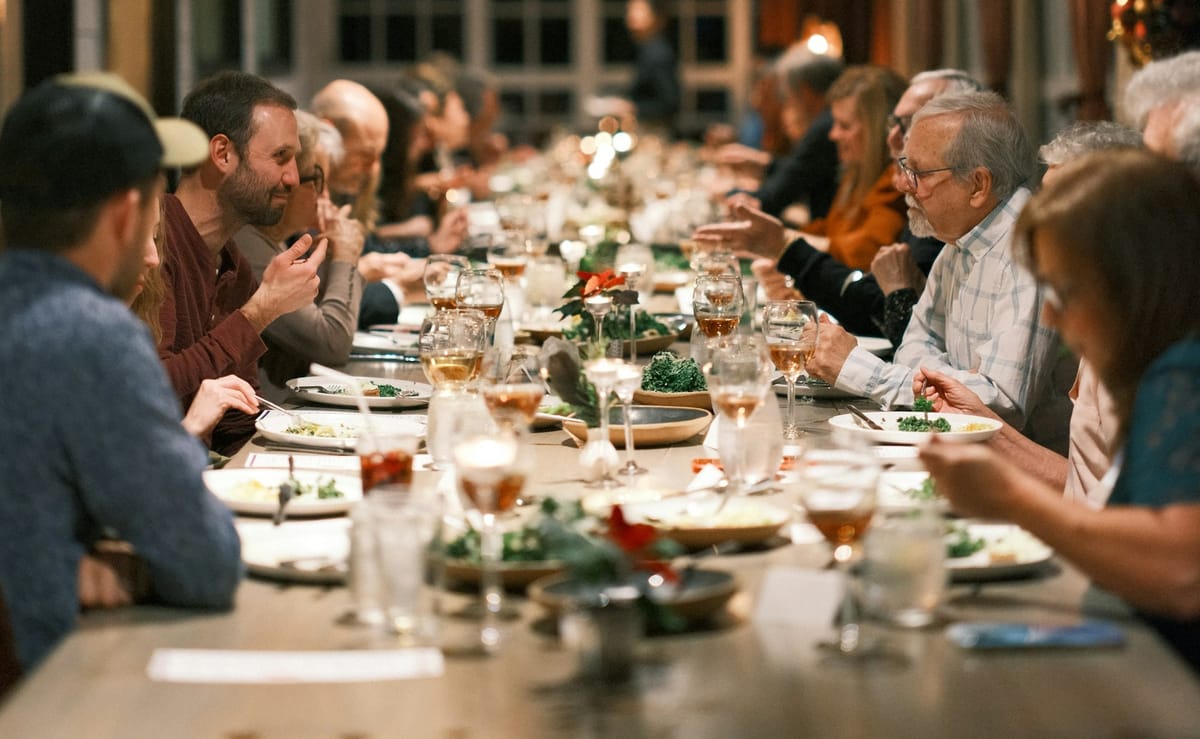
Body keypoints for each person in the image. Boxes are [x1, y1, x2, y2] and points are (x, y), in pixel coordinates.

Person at [919, 149, 1200, 671]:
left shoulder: (1183, 373)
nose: (1049, 314)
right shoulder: (1157, 366)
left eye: (1064, 291)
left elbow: (1183, 572)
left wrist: (1012, 499)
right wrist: (990, 438)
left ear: (1135, 280)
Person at [0, 72, 242, 676]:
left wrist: (60, 550)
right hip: (52, 693)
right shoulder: (91, 335)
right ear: (124, 215)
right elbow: (206, 561)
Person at [808, 91, 1073, 451]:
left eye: (917, 172)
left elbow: (1000, 405)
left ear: (978, 185)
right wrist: (957, 378)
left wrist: (859, 369)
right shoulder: (962, 238)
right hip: (961, 453)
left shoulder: (1029, 249)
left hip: (1022, 474)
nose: (902, 184)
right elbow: (915, 345)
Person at [918, 121, 1143, 507]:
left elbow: (1138, 521)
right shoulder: (1106, 317)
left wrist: (1012, 497)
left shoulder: (1147, 344)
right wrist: (981, 424)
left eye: (1062, 208)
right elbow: (1086, 483)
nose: (1042, 221)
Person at [708, 69, 981, 343]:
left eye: (845, 125)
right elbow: (888, 310)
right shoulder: (859, 177)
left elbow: (868, 261)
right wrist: (783, 249)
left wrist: (783, 245)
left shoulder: (917, 202)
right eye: (894, 124)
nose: (832, 134)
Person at [161, 71, 326, 455]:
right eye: (281, 157)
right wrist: (259, 312)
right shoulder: (153, 246)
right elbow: (154, 388)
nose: (293, 178)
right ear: (222, 154)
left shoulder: (234, 265)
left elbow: (236, 421)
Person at [234, 111, 366, 399]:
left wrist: (333, 254)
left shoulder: (272, 241)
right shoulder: (246, 245)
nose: (326, 196)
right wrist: (345, 257)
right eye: (317, 181)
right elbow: (332, 343)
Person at [723, 48, 843, 221]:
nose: (785, 105)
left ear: (805, 92)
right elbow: (801, 171)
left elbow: (771, 200)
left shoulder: (825, 127)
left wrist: (727, 192)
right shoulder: (827, 122)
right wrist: (764, 163)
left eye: (788, 96)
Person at [623, 0, 681, 133]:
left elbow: (669, 102)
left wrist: (631, 107)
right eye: (629, 11)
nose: (631, 16)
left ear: (655, 16)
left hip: (655, 130)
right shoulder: (646, 48)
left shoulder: (658, 52)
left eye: (638, 11)